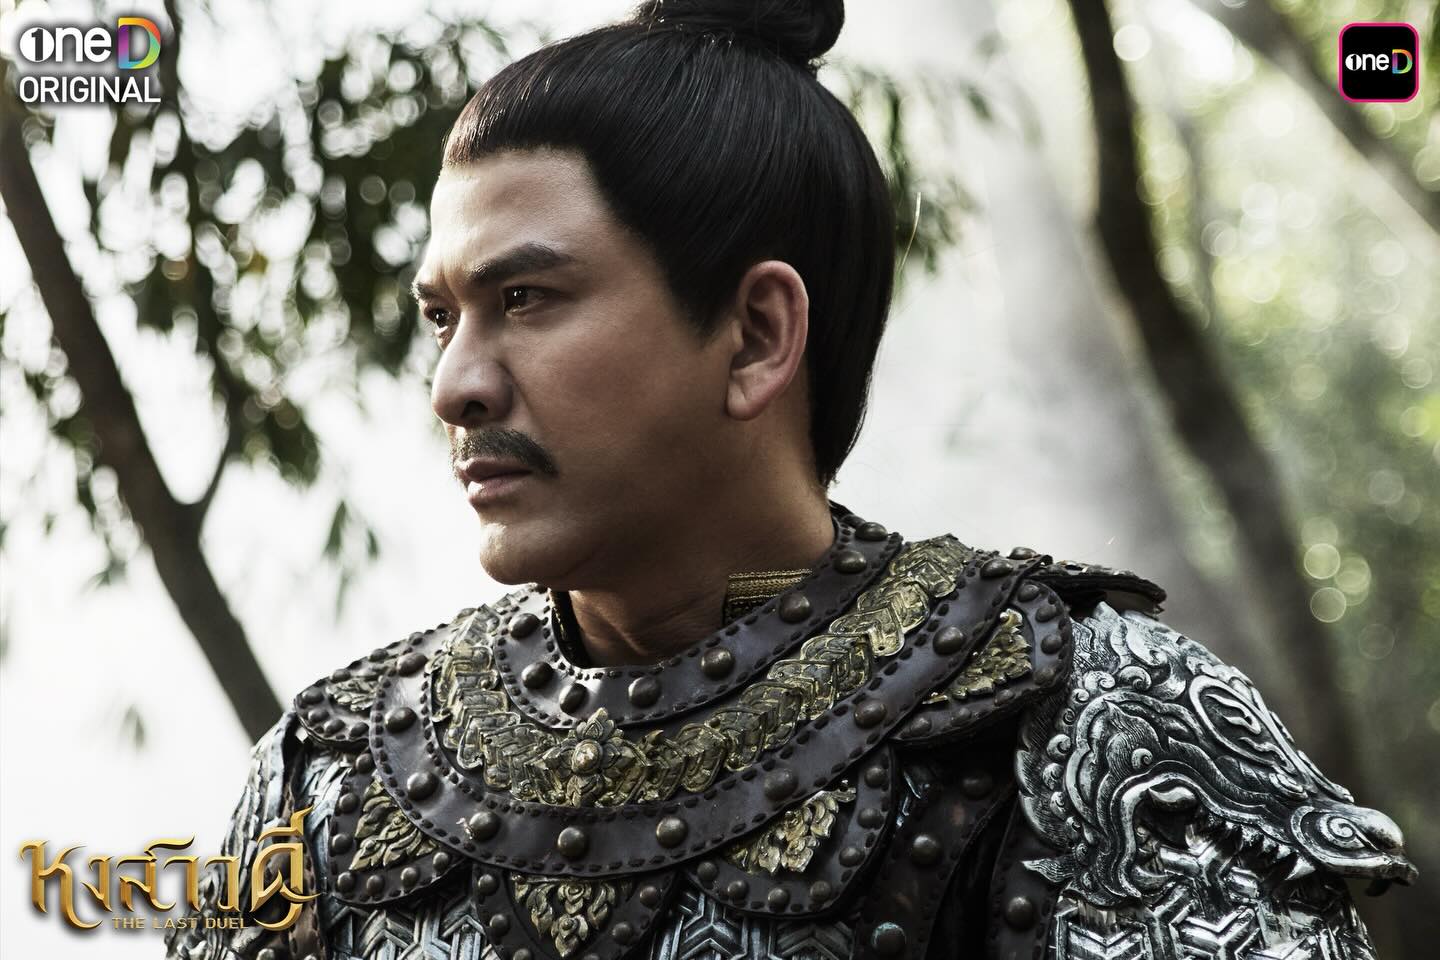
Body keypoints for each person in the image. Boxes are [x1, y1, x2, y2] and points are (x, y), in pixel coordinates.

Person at [164, 1, 1415, 958]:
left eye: (527, 299)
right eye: (444, 317)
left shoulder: (1093, 716)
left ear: (758, 335)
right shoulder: (330, 775)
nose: (455, 386)